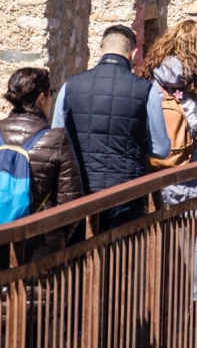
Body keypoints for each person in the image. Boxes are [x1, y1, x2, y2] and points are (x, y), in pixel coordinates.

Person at [0, 67, 83, 274]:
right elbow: (71, 204)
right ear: (42, 98)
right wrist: (54, 236)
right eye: (51, 94)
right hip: (42, 253)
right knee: (39, 306)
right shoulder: (57, 140)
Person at [51, 24, 171, 232]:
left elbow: (56, 140)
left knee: (76, 259)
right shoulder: (146, 90)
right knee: (121, 258)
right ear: (133, 54)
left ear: (99, 52)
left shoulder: (70, 86)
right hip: (125, 191)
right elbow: (161, 149)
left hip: (77, 190)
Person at [140, 20, 197, 207]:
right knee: (185, 225)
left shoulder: (152, 75)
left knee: (148, 227)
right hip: (185, 161)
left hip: (151, 160)